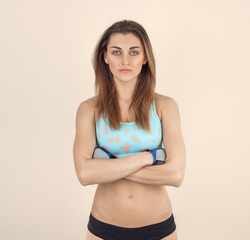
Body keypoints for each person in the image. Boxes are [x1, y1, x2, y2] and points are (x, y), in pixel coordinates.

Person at [73, 19, 186, 240]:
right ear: (105, 56)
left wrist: (108, 167)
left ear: (145, 58)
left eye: (134, 52)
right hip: (104, 228)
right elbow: (85, 174)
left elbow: (175, 174)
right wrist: (147, 157)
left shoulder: (166, 107)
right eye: (117, 52)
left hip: (158, 228)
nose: (125, 60)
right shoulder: (89, 110)